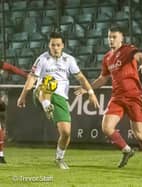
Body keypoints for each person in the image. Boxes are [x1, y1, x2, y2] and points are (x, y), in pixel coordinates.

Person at [75, 25, 142, 168]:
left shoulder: (127, 50)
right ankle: (127, 150)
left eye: (114, 37)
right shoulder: (107, 58)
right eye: (109, 37)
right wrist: (87, 87)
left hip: (134, 97)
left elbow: (140, 56)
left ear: (121, 38)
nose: (111, 40)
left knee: (139, 134)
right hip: (117, 97)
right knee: (106, 127)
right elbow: (103, 78)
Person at [17, 32, 99, 169]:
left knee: (66, 133)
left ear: (63, 46)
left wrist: (91, 92)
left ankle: (59, 158)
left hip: (60, 97)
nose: (55, 47)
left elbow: (81, 78)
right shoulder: (42, 59)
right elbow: (32, 78)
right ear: (49, 45)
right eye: (53, 45)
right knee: (49, 82)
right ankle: (47, 105)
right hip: (40, 93)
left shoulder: (69, 60)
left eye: (58, 45)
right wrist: (23, 95)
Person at [0, 62, 28, 164]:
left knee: (1, 127)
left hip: (2, 100)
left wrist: (26, 75)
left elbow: (12, 68)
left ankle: (1, 155)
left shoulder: (2, 65)